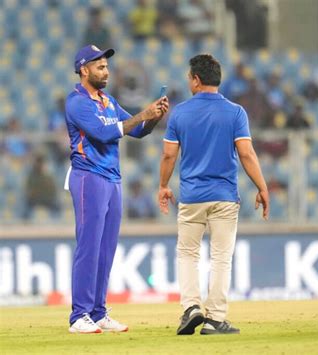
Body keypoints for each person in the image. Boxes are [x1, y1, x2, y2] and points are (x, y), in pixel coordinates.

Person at [158, 54, 269, 335]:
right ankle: (215, 318)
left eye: (189, 78)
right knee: (221, 257)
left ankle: (191, 308)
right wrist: (262, 186)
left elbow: (169, 154)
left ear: (196, 80)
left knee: (187, 254)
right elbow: (246, 152)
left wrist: (163, 185)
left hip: (192, 196)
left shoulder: (180, 113)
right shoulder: (235, 112)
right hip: (224, 196)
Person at [65, 44, 169, 334]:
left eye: (107, 66)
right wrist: (141, 113)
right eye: (100, 66)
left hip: (112, 179)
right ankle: (78, 316)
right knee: (89, 247)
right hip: (89, 177)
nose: (106, 71)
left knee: (106, 249)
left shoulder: (107, 100)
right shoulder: (77, 102)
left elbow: (136, 130)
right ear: (84, 70)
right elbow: (104, 132)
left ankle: (98, 312)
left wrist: (154, 116)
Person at [24, 154, 60, 219]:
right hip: (35, 199)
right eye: (38, 162)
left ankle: (56, 224)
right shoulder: (31, 176)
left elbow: (53, 189)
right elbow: (29, 190)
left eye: (41, 163)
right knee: (25, 206)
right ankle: (26, 222)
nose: (39, 165)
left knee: (57, 206)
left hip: (47, 199)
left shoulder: (48, 176)